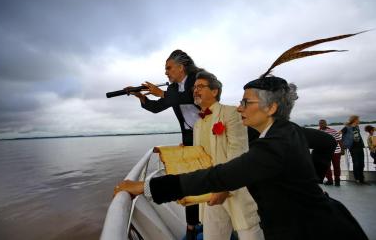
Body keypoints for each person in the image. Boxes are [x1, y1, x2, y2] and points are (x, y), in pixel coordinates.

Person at [115, 32, 369, 240]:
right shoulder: (288, 132)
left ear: (271, 108)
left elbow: (220, 175)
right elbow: (326, 142)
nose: (238, 108)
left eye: (246, 102)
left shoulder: (271, 145)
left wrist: (145, 187)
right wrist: (311, 184)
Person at [127, 49, 202, 239]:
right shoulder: (174, 89)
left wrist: (161, 92)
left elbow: (193, 98)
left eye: (168, 68)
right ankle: (192, 226)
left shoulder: (199, 79)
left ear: (181, 67)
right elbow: (158, 107)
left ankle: (214, 217)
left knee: (210, 176)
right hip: (190, 137)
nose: (166, 72)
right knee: (189, 179)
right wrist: (142, 97)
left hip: (210, 135)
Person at [192, 71, 263, 240]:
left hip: (235, 186)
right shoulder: (197, 123)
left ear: (214, 91)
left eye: (200, 86)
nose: (195, 90)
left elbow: (238, 152)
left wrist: (224, 186)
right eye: (194, 87)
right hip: (210, 188)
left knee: (249, 233)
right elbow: (199, 155)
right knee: (213, 236)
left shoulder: (231, 113)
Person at [341, 115, 368, 184]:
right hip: (353, 148)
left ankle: (362, 179)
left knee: (362, 163)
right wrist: (344, 144)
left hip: (360, 147)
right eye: (358, 119)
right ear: (354, 120)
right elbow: (338, 134)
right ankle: (357, 179)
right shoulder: (347, 128)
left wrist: (363, 144)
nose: (359, 121)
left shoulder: (357, 127)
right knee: (356, 163)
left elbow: (358, 136)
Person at [318, 119, 344, 186]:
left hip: (336, 152)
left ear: (326, 124)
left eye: (323, 123)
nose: (321, 124)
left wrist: (342, 149)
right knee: (326, 167)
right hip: (325, 153)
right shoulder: (318, 132)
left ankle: (337, 181)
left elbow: (339, 140)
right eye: (320, 123)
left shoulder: (333, 131)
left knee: (337, 167)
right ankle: (330, 181)